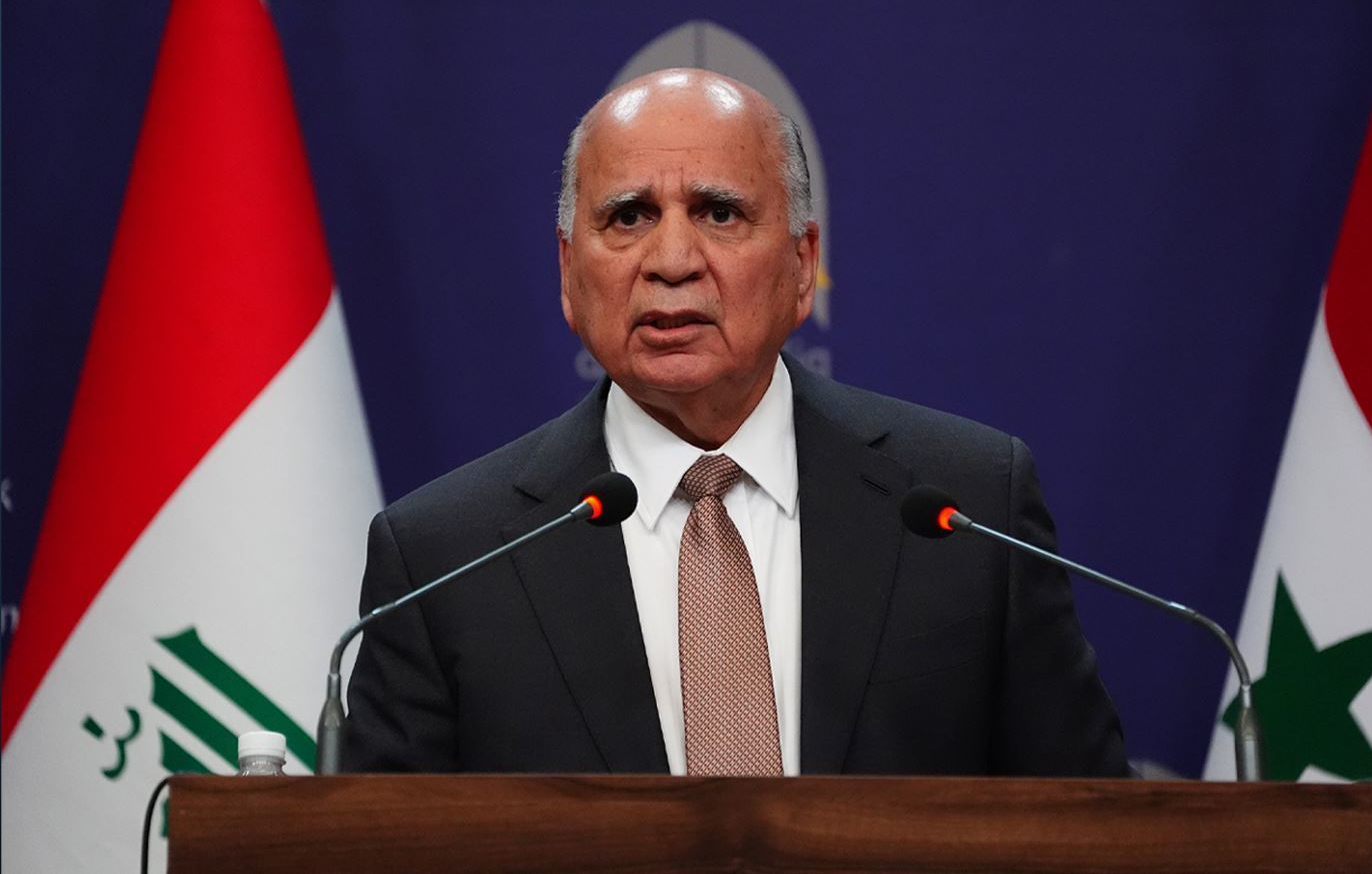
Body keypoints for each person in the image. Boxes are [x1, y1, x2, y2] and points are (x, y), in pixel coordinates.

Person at [344, 68, 1127, 776]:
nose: (672, 260)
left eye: (719, 212)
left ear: (802, 265)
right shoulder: (446, 560)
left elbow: (1092, 832)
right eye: (628, 216)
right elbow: (386, 850)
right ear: (568, 272)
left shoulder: (970, 507)